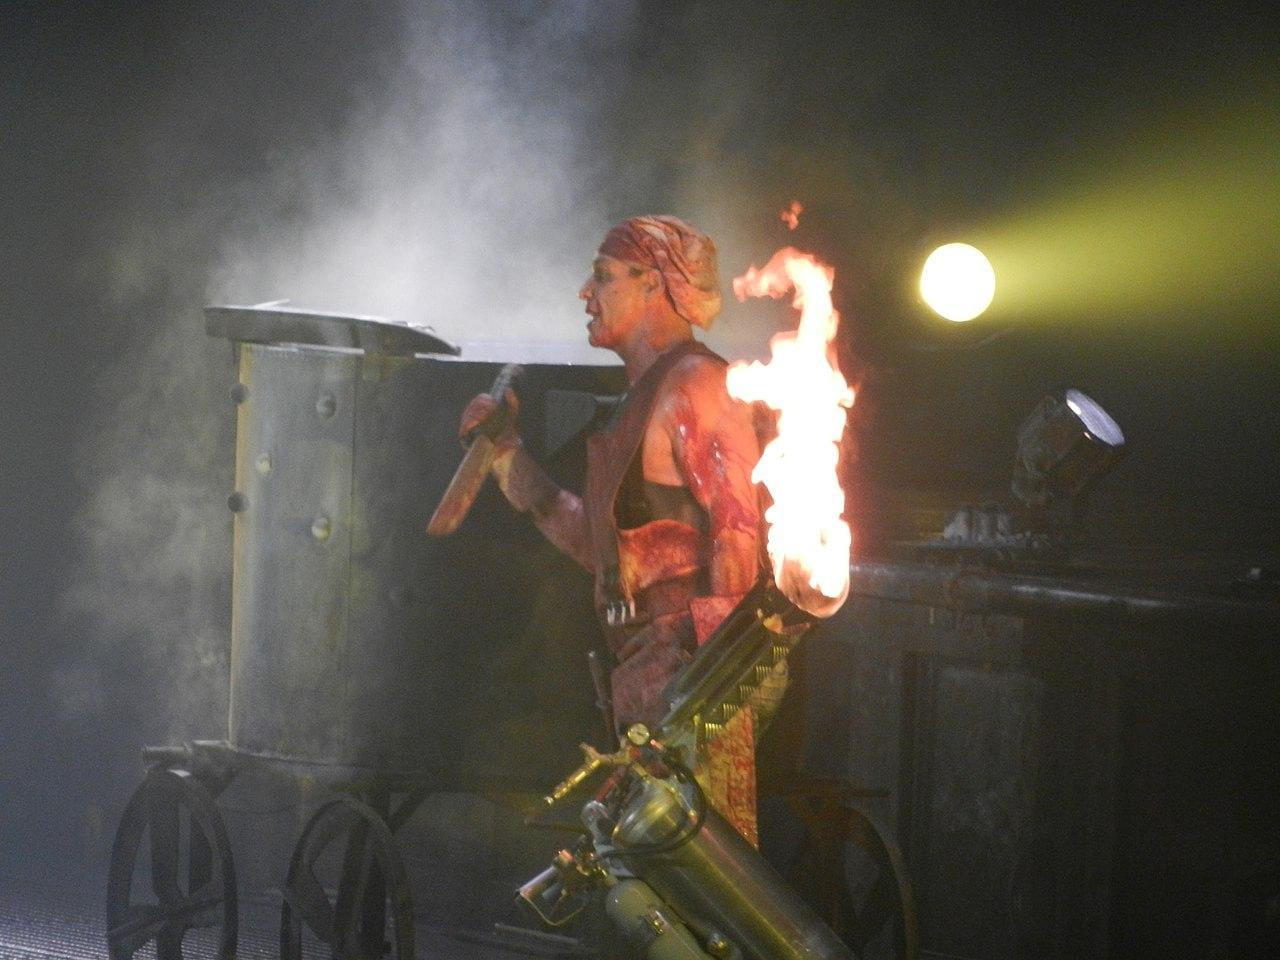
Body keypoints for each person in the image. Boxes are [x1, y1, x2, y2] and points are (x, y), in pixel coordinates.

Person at [458, 215, 765, 843]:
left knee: (688, 868)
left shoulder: (696, 385)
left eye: (602, 277)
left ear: (654, 283)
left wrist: (710, 692)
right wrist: (508, 458)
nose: (585, 293)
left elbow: (738, 532)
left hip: (695, 680)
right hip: (651, 679)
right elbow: (604, 555)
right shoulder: (638, 401)